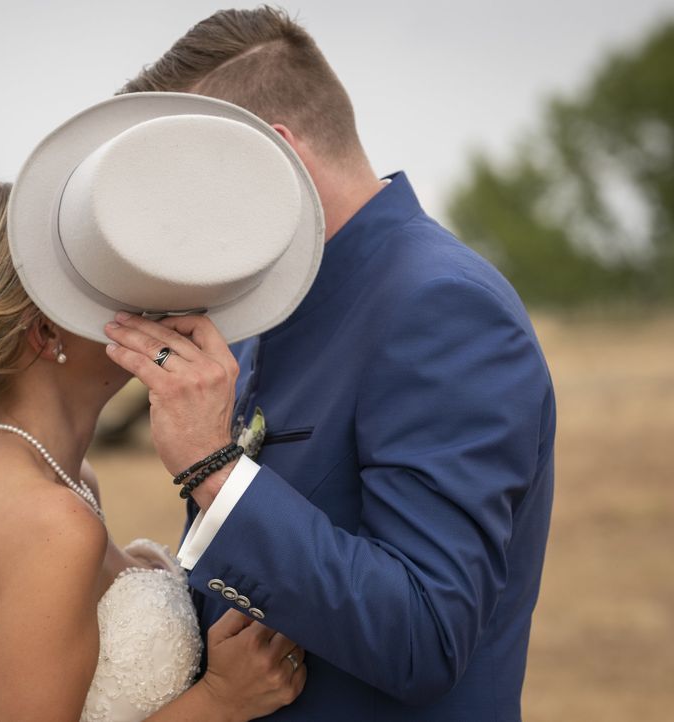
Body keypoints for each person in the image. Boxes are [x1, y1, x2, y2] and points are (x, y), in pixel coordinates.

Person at [103, 7, 556, 720]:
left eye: (188, 192)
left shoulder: (440, 307)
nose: (176, 229)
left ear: (276, 160)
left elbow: (423, 636)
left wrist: (214, 469)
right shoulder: (265, 314)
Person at [0, 182, 306, 721]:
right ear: (45, 332)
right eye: (102, 282)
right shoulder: (48, 517)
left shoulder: (50, 471)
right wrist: (221, 700)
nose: (145, 300)